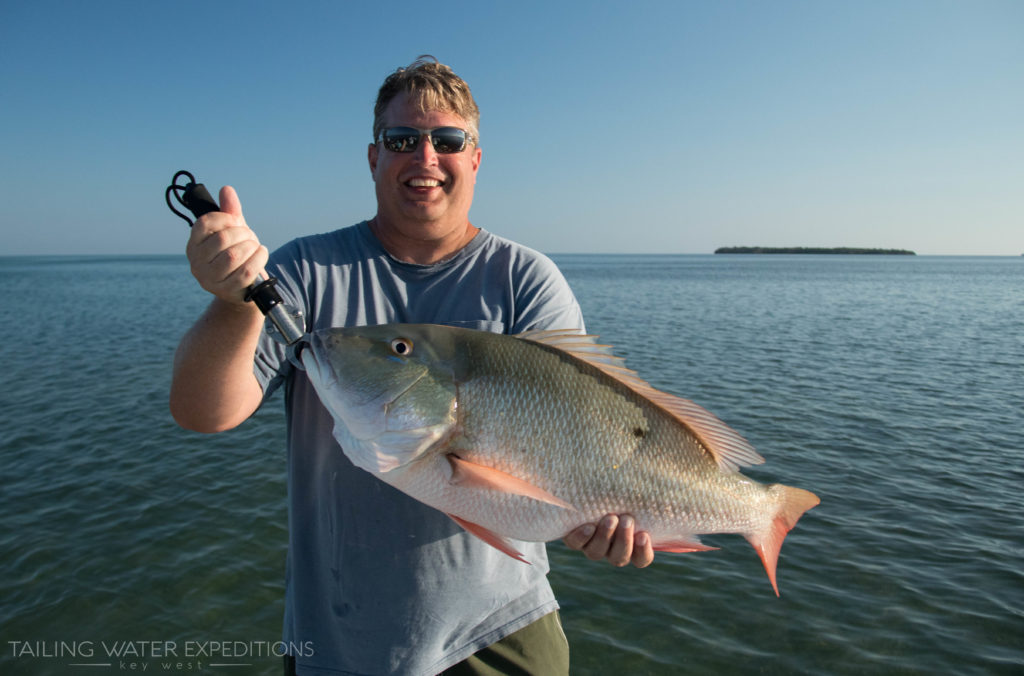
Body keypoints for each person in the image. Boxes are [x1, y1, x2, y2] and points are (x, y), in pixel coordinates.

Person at [170, 56, 654, 676]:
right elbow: (202, 412)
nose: (424, 157)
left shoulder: (525, 280)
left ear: (474, 159)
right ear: (373, 158)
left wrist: (606, 520)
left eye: (447, 140)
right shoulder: (302, 272)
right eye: (402, 140)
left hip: (499, 632)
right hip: (338, 637)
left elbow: (586, 426)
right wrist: (235, 303)